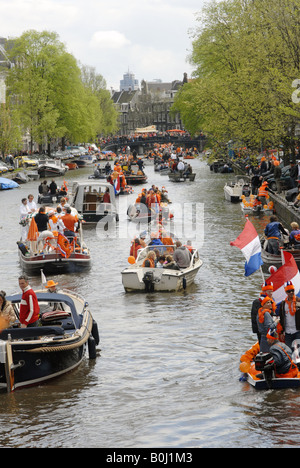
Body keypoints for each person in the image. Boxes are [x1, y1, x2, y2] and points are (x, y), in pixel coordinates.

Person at [278, 281, 300, 349]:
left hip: (298, 332)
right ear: (286, 292)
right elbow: (282, 318)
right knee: (289, 352)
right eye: (288, 291)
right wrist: (281, 332)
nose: (291, 292)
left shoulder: (298, 301)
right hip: (287, 333)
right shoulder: (283, 304)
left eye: (292, 290)